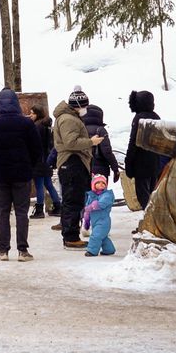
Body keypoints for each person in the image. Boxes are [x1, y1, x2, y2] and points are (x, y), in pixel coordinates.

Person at [0, 89, 41, 262]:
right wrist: (30, 166)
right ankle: (22, 250)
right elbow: (36, 150)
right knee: (22, 212)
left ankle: (3, 250)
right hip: (22, 174)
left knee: (3, 211)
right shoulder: (26, 124)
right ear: (15, 102)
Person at [52, 86, 103, 250]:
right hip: (72, 162)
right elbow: (70, 142)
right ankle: (71, 237)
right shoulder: (69, 119)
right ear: (78, 106)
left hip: (72, 162)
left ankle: (71, 235)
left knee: (73, 199)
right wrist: (91, 142)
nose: (85, 110)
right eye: (84, 106)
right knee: (73, 200)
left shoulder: (68, 117)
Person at [125, 90, 162, 210]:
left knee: (143, 196)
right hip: (155, 162)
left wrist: (128, 162)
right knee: (153, 193)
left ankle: (149, 220)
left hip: (140, 163)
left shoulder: (139, 118)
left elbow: (133, 142)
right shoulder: (157, 117)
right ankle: (155, 220)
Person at [28, 105, 61, 219]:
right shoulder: (47, 126)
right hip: (47, 159)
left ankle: (39, 209)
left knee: (39, 186)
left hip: (38, 160)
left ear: (37, 114)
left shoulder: (36, 126)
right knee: (48, 184)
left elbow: (34, 144)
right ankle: (58, 206)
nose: (30, 115)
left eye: (32, 113)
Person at [82, 104, 121, 183]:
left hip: (82, 168)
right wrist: (115, 168)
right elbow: (107, 152)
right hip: (100, 171)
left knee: (84, 194)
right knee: (100, 194)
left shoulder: (79, 130)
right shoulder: (100, 130)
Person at [83, 174, 116, 257]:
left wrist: (92, 206)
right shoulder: (91, 196)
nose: (101, 184)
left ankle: (92, 251)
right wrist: (86, 221)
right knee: (103, 237)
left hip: (103, 221)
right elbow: (87, 210)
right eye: (98, 182)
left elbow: (101, 204)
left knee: (96, 235)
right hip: (95, 221)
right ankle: (109, 250)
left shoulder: (107, 195)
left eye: (103, 183)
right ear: (94, 185)